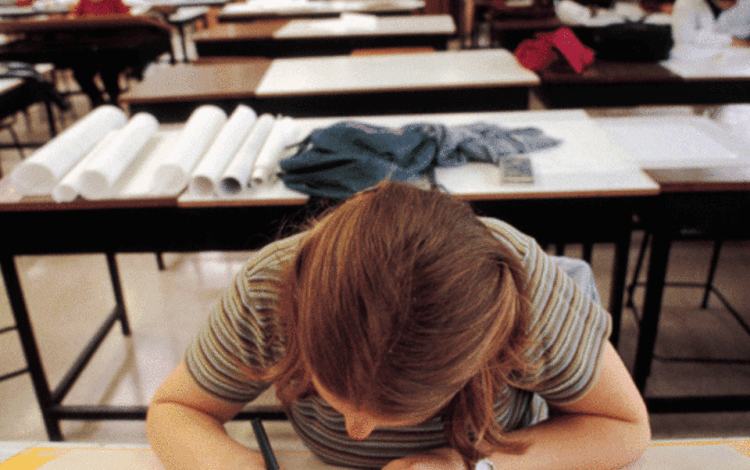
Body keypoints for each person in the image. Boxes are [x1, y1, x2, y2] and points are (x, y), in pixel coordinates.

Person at [146, 180, 650, 470]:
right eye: (339, 399)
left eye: (391, 412)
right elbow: (176, 408)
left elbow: (625, 426)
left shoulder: (527, 297)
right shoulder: (272, 289)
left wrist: (473, 467)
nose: (357, 432)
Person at [70, 0, 130, 108]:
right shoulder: (83, 1)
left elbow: (128, 21)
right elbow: (73, 21)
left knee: (108, 69)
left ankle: (115, 103)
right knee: (79, 72)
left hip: (114, 50)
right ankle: (98, 102)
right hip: (91, 50)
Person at [671, 0, 750, 55]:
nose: (735, 3)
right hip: (693, 58)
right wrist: (729, 40)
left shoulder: (743, 0)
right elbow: (684, 37)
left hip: (735, 57)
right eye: (732, 0)